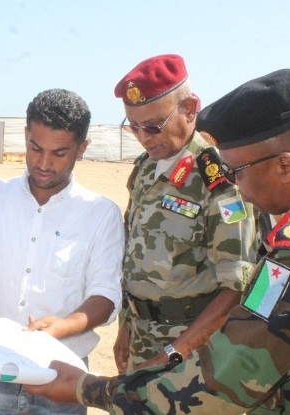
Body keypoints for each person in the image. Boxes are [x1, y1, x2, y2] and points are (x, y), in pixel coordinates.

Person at [26, 69, 290, 414]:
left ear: (286, 166)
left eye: (239, 172)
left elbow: (220, 385)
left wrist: (84, 387)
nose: (238, 189)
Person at [0, 88, 124, 415]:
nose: (44, 163)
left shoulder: (101, 214)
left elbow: (106, 295)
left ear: (82, 149)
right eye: (35, 147)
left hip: (63, 380)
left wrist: (64, 326)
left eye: (59, 153)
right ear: (26, 136)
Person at [113, 54, 258, 372]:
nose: (143, 137)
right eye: (133, 127)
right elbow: (137, 258)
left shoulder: (219, 179)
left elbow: (237, 285)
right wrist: (126, 323)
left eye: (153, 125)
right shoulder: (144, 170)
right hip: (141, 336)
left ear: (190, 108)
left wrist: (175, 352)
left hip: (192, 347)